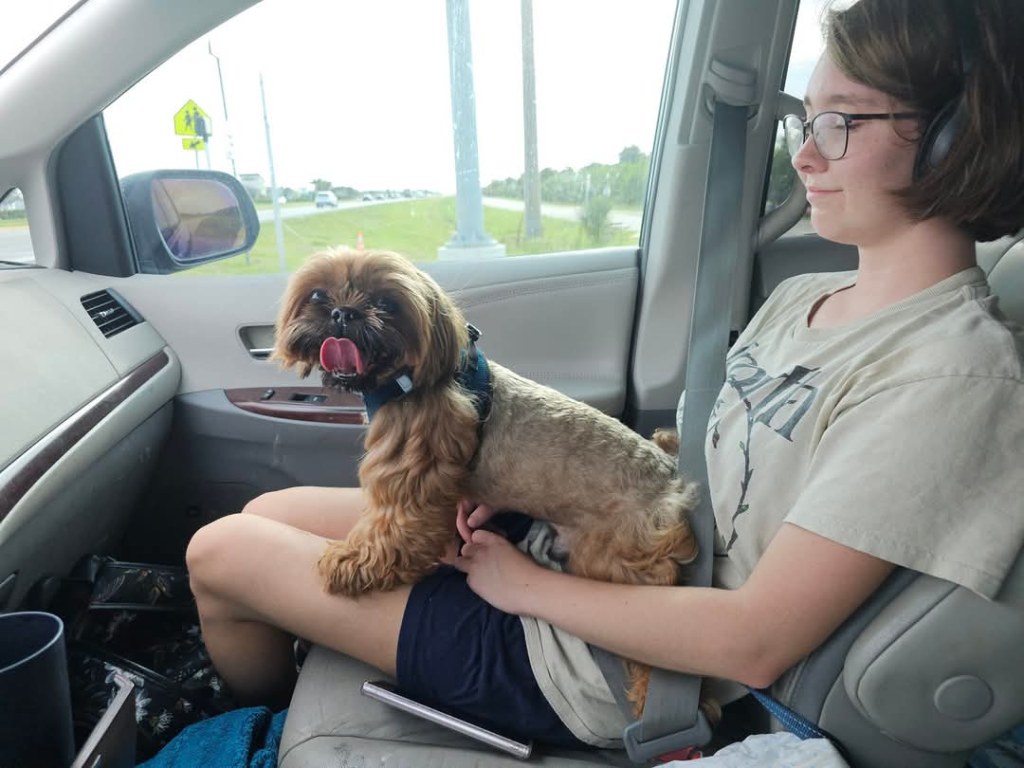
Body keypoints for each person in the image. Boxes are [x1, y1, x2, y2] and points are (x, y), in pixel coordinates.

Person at [185, 0, 1024, 752]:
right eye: (805, 120)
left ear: (956, 137)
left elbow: (754, 642)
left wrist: (525, 587)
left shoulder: (949, 378)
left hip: (619, 665)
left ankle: (249, 726)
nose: (804, 155)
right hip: (602, 548)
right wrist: (522, 491)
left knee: (221, 551)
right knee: (268, 512)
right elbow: (703, 472)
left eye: (841, 122)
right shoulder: (807, 298)